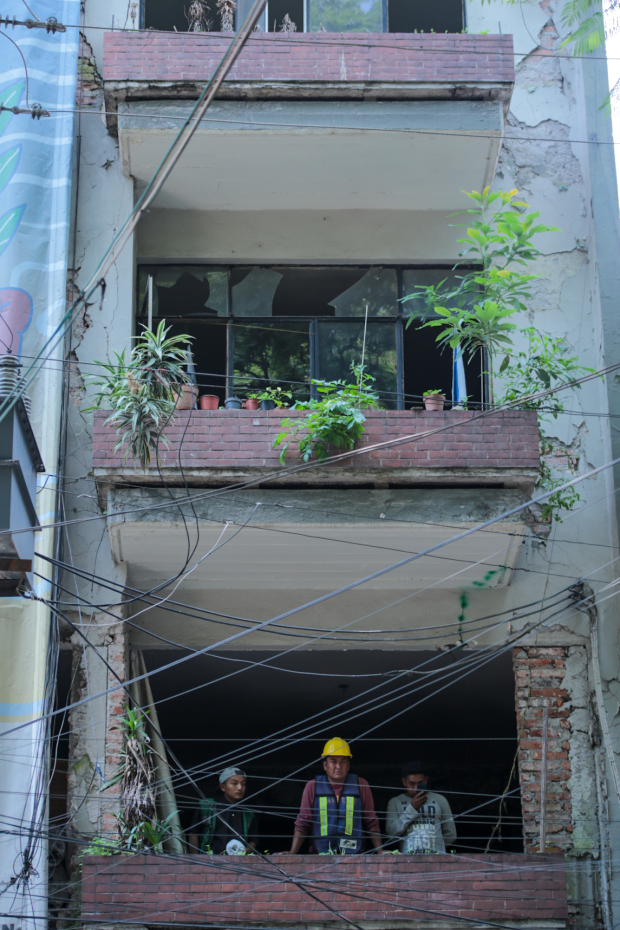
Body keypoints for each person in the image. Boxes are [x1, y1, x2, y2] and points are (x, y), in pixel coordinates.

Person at [283, 737, 384, 854]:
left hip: (354, 857)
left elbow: (371, 821)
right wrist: (292, 853)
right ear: (325, 765)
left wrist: (381, 852)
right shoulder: (312, 786)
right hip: (320, 856)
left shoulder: (361, 785)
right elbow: (303, 823)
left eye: (343, 761)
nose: (338, 766)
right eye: (333, 761)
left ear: (348, 765)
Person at [386, 761, 456, 854]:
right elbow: (390, 834)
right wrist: (411, 809)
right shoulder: (395, 802)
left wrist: (435, 847)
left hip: (436, 859)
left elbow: (451, 834)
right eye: (411, 783)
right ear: (404, 782)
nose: (416, 788)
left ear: (426, 780)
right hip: (407, 861)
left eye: (420, 783)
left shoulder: (440, 800)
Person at [188, 766, 258, 855]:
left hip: (239, 865)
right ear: (222, 787)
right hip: (210, 863)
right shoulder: (208, 806)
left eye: (243, 784)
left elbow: (253, 842)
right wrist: (196, 860)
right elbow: (194, 833)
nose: (240, 788)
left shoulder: (248, 813)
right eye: (234, 783)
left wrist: (242, 852)